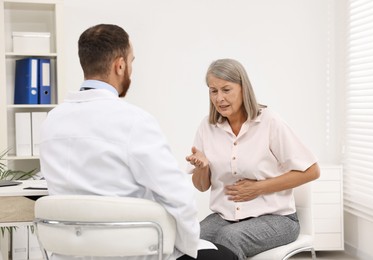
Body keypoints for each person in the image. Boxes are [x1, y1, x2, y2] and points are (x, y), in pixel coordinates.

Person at [39, 24, 237, 260]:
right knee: (225, 255)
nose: (131, 68)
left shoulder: (52, 121)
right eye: (131, 61)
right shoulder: (133, 121)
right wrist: (189, 247)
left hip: (69, 253)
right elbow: (178, 197)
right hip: (129, 252)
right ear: (120, 65)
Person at [185, 58, 320, 260]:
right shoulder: (207, 127)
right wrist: (202, 168)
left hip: (277, 219)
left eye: (226, 89)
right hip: (226, 217)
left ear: (243, 88)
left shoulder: (269, 122)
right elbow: (201, 186)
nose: (219, 98)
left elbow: (312, 171)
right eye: (214, 91)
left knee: (228, 239)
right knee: (187, 239)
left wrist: (259, 187)